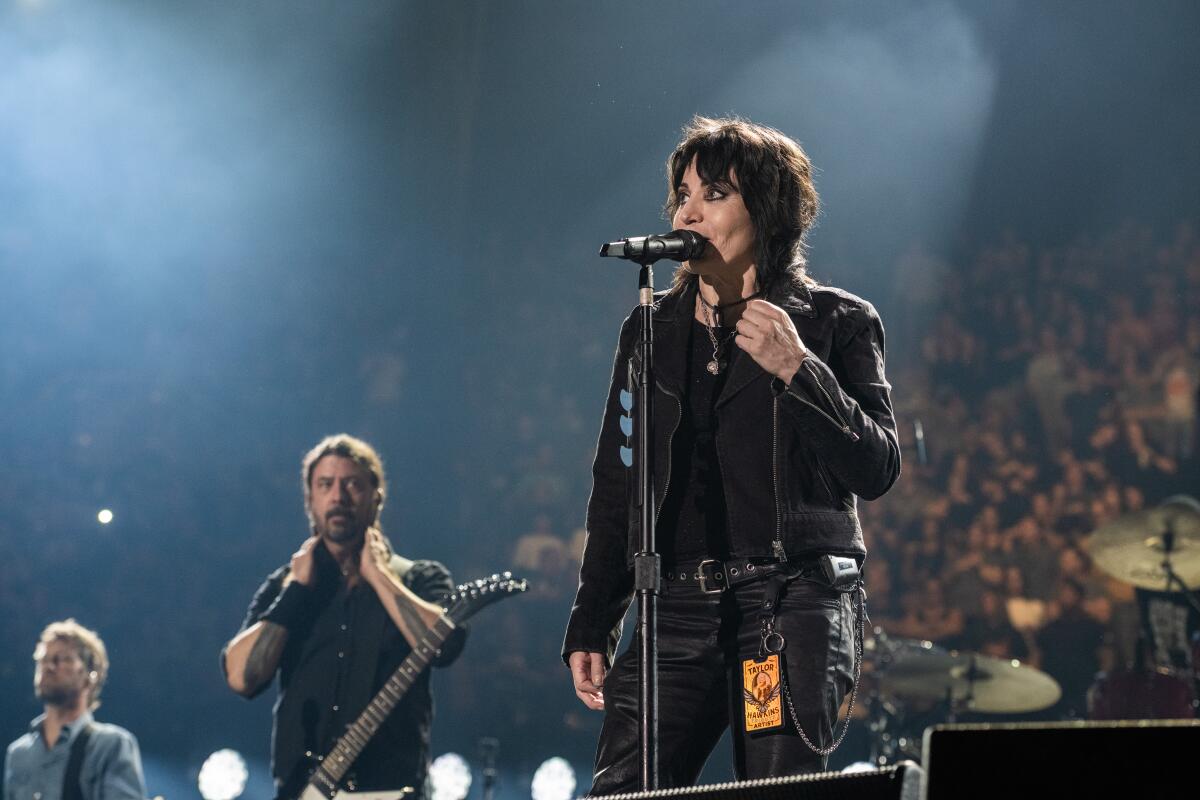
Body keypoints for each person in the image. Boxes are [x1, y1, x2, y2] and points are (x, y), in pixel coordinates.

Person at [563, 117, 900, 793]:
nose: (687, 210)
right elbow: (618, 481)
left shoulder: (835, 322)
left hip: (789, 606)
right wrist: (594, 619)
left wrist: (799, 370)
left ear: (768, 211)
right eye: (681, 193)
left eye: (712, 192)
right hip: (675, 610)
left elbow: (878, 466)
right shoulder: (651, 329)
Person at [222, 434, 466, 800]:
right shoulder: (287, 586)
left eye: (352, 484)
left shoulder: (418, 578)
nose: (338, 496)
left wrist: (381, 578)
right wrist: (295, 592)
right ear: (310, 500)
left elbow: (445, 647)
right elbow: (241, 679)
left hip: (390, 790)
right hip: (301, 790)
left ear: (376, 496)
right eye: (325, 485)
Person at [4, 620, 146, 800]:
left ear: (90, 674)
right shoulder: (18, 754)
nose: (48, 666)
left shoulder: (111, 745)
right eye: (43, 659)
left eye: (62, 659)